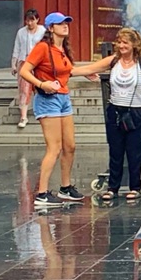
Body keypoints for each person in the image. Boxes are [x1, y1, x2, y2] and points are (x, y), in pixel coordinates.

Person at [19, 13, 87, 211]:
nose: (65, 26)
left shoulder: (62, 50)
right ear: (50, 28)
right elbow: (25, 70)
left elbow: (71, 70)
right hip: (48, 99)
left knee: (70, 146)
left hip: (63, 98)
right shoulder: (43, 47)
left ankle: (65, 187)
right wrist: (42, 84)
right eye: (60, 23)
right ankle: (42, 193)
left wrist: (104, 65)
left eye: (66, 22)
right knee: (54, 148)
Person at [96, 26, 141, 204]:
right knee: (115, 151)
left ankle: (135, 187)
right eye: (119, 42)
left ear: (134, 44)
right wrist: (65, 72)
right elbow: (89, 69)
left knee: (134, 152)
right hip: (115, 111)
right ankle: (112, 188)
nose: (121, 45)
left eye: (125, 42)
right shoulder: (113, 61)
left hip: (136, 112)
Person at [11, 8, 44, 128]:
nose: (29, 23)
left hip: (39, 63)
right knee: (24, 89)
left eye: (32, 20)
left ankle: (40, 111)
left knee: (39, 87)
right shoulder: (21, 32)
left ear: (37, 20)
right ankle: (23, 117)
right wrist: (14, 64)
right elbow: (17, 48)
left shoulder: (43, 31)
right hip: (24, 62)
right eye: (27, 21)